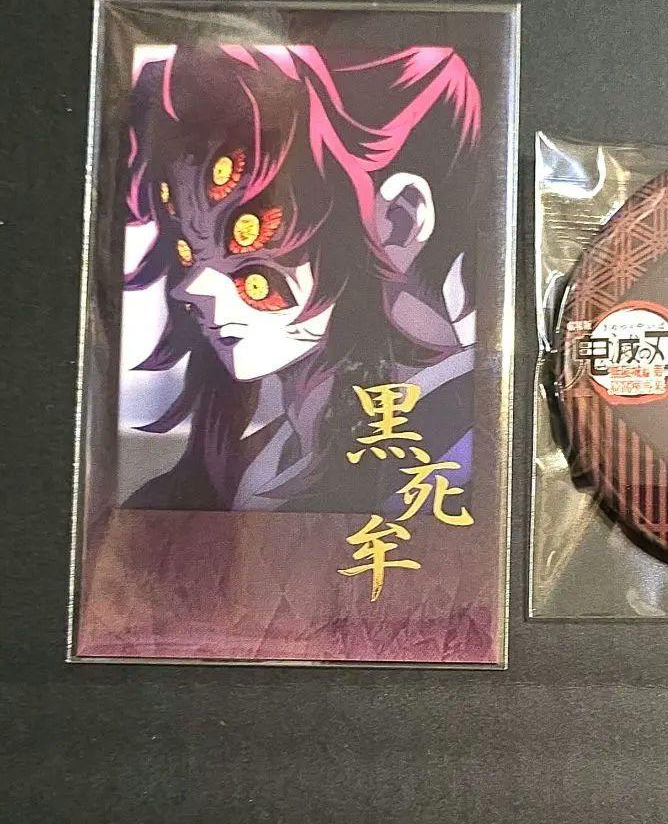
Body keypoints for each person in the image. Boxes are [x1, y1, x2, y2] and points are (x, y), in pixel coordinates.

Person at [121, 42, 481, 515]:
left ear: (398, 221)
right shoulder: (266, 454)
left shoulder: (464, 447)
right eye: (188, 250)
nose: (190, 288)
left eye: (249, 237)